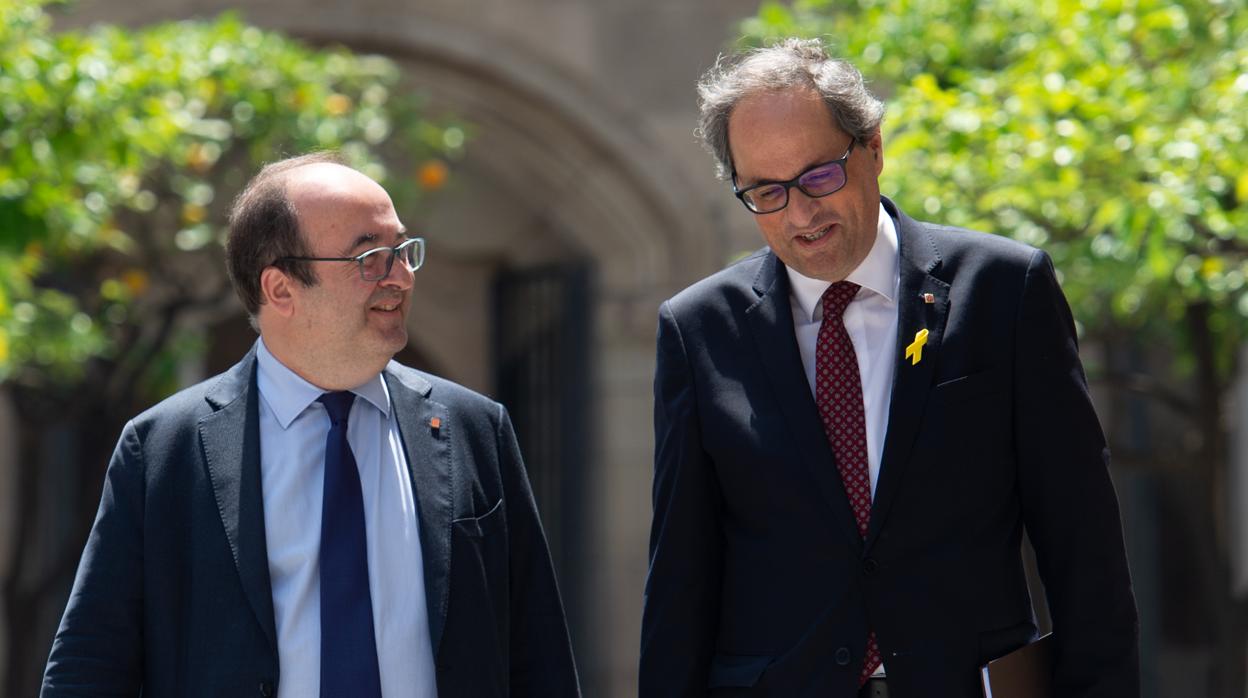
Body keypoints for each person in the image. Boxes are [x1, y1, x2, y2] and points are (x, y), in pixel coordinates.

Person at [641, 38, 1138, 697]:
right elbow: (681, 579)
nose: (800, 212)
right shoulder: (699, 329)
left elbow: (1084, 546)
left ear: (873, 147)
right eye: (766, 191)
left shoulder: (1003, 291)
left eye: (819, 175)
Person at [41, 152, 580, 698]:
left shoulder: (474, 428)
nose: (400, 276)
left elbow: (541, 659)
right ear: (280, 289)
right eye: (369, 257)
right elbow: (89, 667)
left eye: (402, 251)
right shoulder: (163, 448)